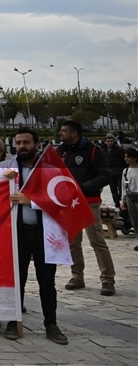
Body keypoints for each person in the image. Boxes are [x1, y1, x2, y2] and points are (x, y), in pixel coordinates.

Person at [0, 128, 68, 345]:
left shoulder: (51, 169)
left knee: (47, 281)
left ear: (37, 144)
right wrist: (3, 181)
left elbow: (62, 198)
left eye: (26, 142)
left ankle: (51, 324)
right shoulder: (5, 167)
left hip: (44, 233)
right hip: (17, 232)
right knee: (16, 278)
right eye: (18, 143)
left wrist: (32, 202)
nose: (21, 147)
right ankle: (13, 320)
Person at [57, 120, 115, 295]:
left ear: (74, 133)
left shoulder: (92, 151)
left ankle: (107, 279)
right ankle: (77, 275)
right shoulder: (61, 151)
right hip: (68, 204)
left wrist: (81, 187)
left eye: (63, 131)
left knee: (97, 241)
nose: (60, 134)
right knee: (72, 242)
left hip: (89, 201)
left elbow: (105, 175)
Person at [103, 134, 127, 232]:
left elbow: (124, 161)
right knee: (113, 190)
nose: (109, 143)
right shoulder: (102, 151)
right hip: (109, 173)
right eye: (108, 141)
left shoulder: (119, 150)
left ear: (114, 141)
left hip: (119, 172)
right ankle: (117, 204)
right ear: (105, 142)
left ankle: (122, 205)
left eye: (111, 141)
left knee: (121, 190)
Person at [120, 147, 138, 251]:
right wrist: (123, 200)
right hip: (131, 197)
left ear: (135, 158)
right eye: (125, 157)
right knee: (134, 220)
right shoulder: (126, 171)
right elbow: (123, 186)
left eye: (129, 157)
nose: (126, 159)